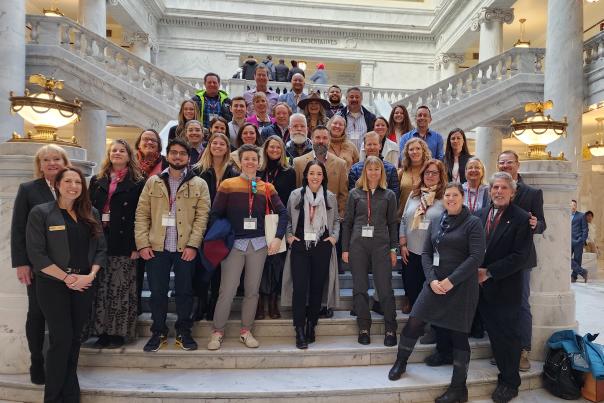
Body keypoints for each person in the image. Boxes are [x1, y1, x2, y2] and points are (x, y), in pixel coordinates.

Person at [388, 183, 485, 403]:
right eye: (447, 195)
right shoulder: (436, 220)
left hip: (461, 288)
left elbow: (476, 257)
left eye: (455, 195)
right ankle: (401, 361)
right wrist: (431, 280)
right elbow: (426, 253)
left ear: (462, 198)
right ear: (443, 200)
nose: (450, 199)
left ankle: (459, 389)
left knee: (459, 335)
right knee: (414, 322)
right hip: (434, 284)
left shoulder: (473, 223)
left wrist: (451, 281)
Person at [26, 166, 107, 402]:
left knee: (74, 340)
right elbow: (37, 255)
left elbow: (101, 249)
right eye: (68, 181)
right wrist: (67, 278)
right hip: (53, 284)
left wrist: (90, 276)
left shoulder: (90, 212)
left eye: (78, 182)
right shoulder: (41, 213)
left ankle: (70, 394)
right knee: (61, 339)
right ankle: (52, 397)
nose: (73, 186)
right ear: (56, 185)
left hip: (83, 283)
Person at [207, 144, 288, 351]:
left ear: (259, 162)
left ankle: (246, 331)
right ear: (240, 161)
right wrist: (224, 234)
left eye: (254, 158)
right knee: (227, 290)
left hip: (259, 245)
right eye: (247, 159)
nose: (251, 162)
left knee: (252, 291)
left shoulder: (267, 187)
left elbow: (283, 213)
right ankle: (217, 332)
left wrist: (278, 238)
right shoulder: (228, 184)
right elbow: (215, 214)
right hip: (234, 245)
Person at [135, 138, 211, 352]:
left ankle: (183, 332)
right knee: (158, 292)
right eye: (174, 153)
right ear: (167, 156)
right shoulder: (153, 182)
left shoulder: (200, 184)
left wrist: (193, 245)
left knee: (184, 292)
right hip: (157, 247)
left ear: (188, 158)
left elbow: (201, 217)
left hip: (184, 248)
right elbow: (142, 214)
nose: (178, 156)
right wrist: (142, 243)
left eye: (182, 153)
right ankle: (158, 332)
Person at [11, 144, 71, 385]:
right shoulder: (28, 190)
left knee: (64, 316)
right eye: (46, 160)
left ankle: (62, 364)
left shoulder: (73, 185)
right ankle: (37, 361)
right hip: (38, 265)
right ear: (40, 165)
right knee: (36, 313)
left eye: (56, 158)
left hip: (70, 265)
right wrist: (21, 263)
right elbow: (18, 229)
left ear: (64, 161)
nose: (52, 163)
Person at [476, 172, 532, 403]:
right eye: (495, 187)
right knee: (494, 335)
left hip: (505, 286)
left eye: (503, 188)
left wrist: (488, 272)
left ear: (513, 192)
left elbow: (520, 257)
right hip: (481, 289)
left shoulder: (521, 218)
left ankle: (510, 383)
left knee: (507, 337)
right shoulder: (480, 214)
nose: (498, 191)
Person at [88, 139, 145, 348]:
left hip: (124, 242)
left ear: (129, 155)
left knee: (120, 289)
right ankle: (101, 331)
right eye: (114, 150)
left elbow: (141, 215)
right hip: (99, 240)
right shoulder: (97, 180)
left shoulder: (138, 181)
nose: (117, 153)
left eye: (122, 150)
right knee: (101, 289)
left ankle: (118, 333)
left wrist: (136, 245)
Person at [341, 156, 399, 346]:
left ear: (381, 172)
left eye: (377, 169)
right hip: (358, 245)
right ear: (364, 172)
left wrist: (393, 248)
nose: (373, 173)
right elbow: (347, 223)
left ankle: (391, 328)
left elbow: (392, 223)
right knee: (359, 287)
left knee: (385, 288)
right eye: (370, 169)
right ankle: (364, 327)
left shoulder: (389, 195)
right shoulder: (354, 194)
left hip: (381, 244)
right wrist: (345, 248)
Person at [281, 160, 339, 349]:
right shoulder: (296, 195)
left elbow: (336, 221)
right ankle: (299, 328)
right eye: (312, 173)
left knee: (316, 288)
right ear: (306, 175)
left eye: (319, 174)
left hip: (321, 246)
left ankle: (311, 324)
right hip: (300, 247)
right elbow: (287, 218)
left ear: (323, 177)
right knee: (300, 288)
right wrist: (289, 236)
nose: (315, 177)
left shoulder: (330, 197)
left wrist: (333, 238)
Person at [497, 150, 546, 371]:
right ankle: (502, 348)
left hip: (521, 258)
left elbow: (542, 223)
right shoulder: (494, 189)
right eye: (501, 163)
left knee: (521, 305)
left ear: (517, 165)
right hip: (496, 258)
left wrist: (536, 224)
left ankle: (523, 351)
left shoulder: (532, 193)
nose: (505, 165)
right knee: (499, 306)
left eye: (509, 162)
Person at [191, 132, 238, 321]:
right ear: (209, 146)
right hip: (202, 224)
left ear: (227, 148)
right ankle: (199, 303)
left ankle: (214, 306)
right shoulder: (197, 170)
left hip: (223, 227)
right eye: (214, 143)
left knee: (219, 269)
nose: (218, 146)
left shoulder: (233, 172)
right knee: (201, 268)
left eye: (222, 144)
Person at [256, 136, 297, 320]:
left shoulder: (289, 172)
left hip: (277, 222)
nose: (274, 150)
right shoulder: (258, 171)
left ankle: (273, 301)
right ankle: (258, 302)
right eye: (271, 147)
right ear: (265, 149)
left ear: (282, 151)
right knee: (258, 263)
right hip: (257, 221)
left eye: (278, 148)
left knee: (276, 263)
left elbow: (289, 200)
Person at [399, 159, 446, 313]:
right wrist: (403, 242)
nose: (430, 176)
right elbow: (405, 218)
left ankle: (427, 312)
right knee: (411, 281)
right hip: (411, 248)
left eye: (434, 173)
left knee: (429, 284)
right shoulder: (414, 194)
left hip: (433, 251)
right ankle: (412, 305)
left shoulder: (445, 197)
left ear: (440, 175)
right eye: (427, 172)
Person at [293, 125, 349, 219]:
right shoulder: (298, 163)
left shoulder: (341, 164)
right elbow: (295, 193)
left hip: (330, 218)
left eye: (325, 138)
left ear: (329, 140)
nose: (321, 141)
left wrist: (338, 216)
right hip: (304, 217)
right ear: (311, 139)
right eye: (318, 137)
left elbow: (343, 195)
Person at [349, 131, 399, 199]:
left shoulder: (391, 169)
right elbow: (352, 197)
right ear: (364, 146)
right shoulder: (355, 169)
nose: (372, 147)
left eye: (375, 144)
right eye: (369, 144)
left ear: (380, 146)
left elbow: (394, 197)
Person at [398, 138, 432, 216]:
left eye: (418, 148)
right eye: (411, 149)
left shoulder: (430, 171)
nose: (415, 152)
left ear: (423, 151)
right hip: (403, 217)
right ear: (407, 153)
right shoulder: (401, 172)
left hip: (424, 218)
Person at [571, 199, 589, 283]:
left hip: (578, 241)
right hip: (567, 242)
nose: (573, 207)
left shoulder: (581, 215)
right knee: (566, 259)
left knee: (577, 259)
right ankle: (583, 272)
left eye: (574, 205)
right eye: (571, 205)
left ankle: (574, 277)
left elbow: (585, 229)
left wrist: (582, 240)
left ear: (576, 206)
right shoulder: (565, 215)